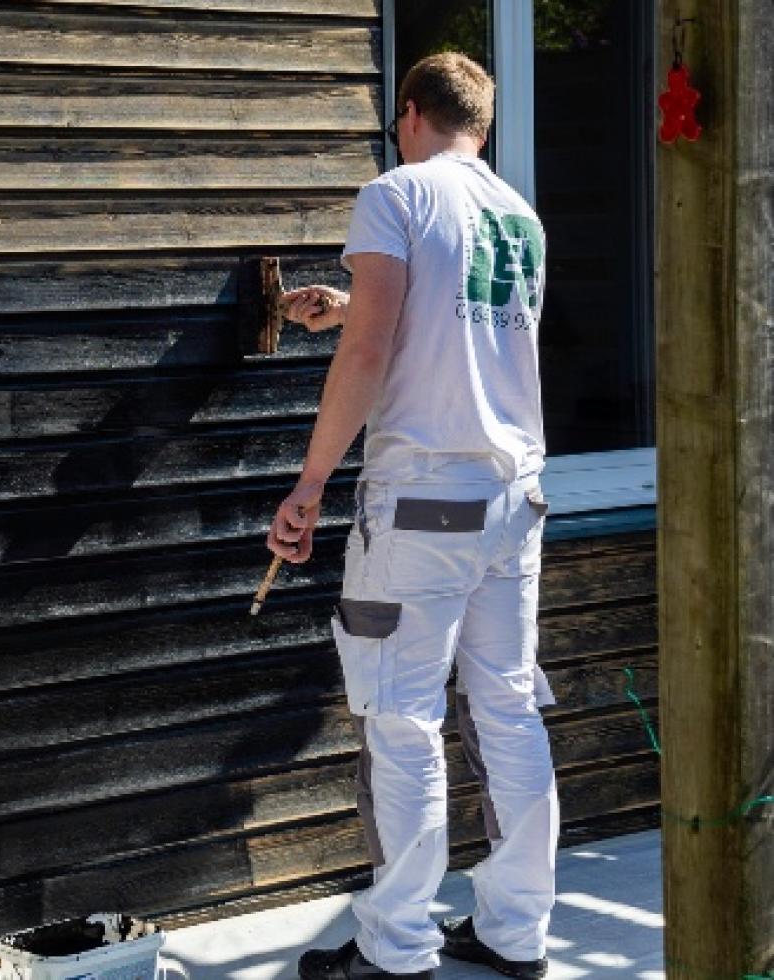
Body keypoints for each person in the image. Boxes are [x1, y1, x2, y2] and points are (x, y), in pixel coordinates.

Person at [266, 51, 558, 980]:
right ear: (484, 126)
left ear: (409, 112)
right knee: (508, 711)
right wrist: (352, 307)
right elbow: (453, 332)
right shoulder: (520, 215)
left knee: (402, 720)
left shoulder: (394, 193)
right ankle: (517, 934)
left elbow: (378, 350)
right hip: (514, 504)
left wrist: (310, 483)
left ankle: (396, 951)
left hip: (423, 505)